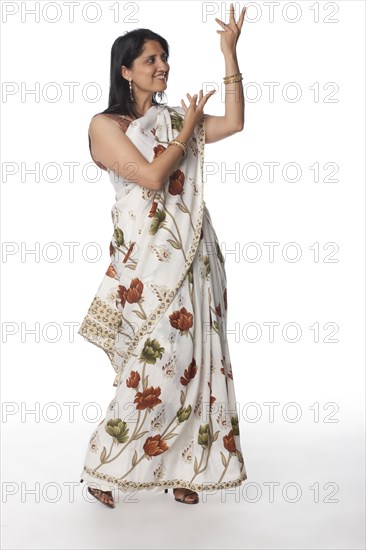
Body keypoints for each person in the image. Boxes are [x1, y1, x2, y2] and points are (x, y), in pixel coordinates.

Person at [79, 4, 247, 507]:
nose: (162, 66)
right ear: (125, 69)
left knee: (198, 360)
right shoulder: (105, 124)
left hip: (194, 256)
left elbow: (235, 122)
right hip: (147, 268)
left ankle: (184, 465)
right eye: (151, 58)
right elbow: (151, 178)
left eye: (165, 57)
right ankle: (104, 467)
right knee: (152, 367)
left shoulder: (176, 117)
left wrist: (229, 53)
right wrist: (187, 128)